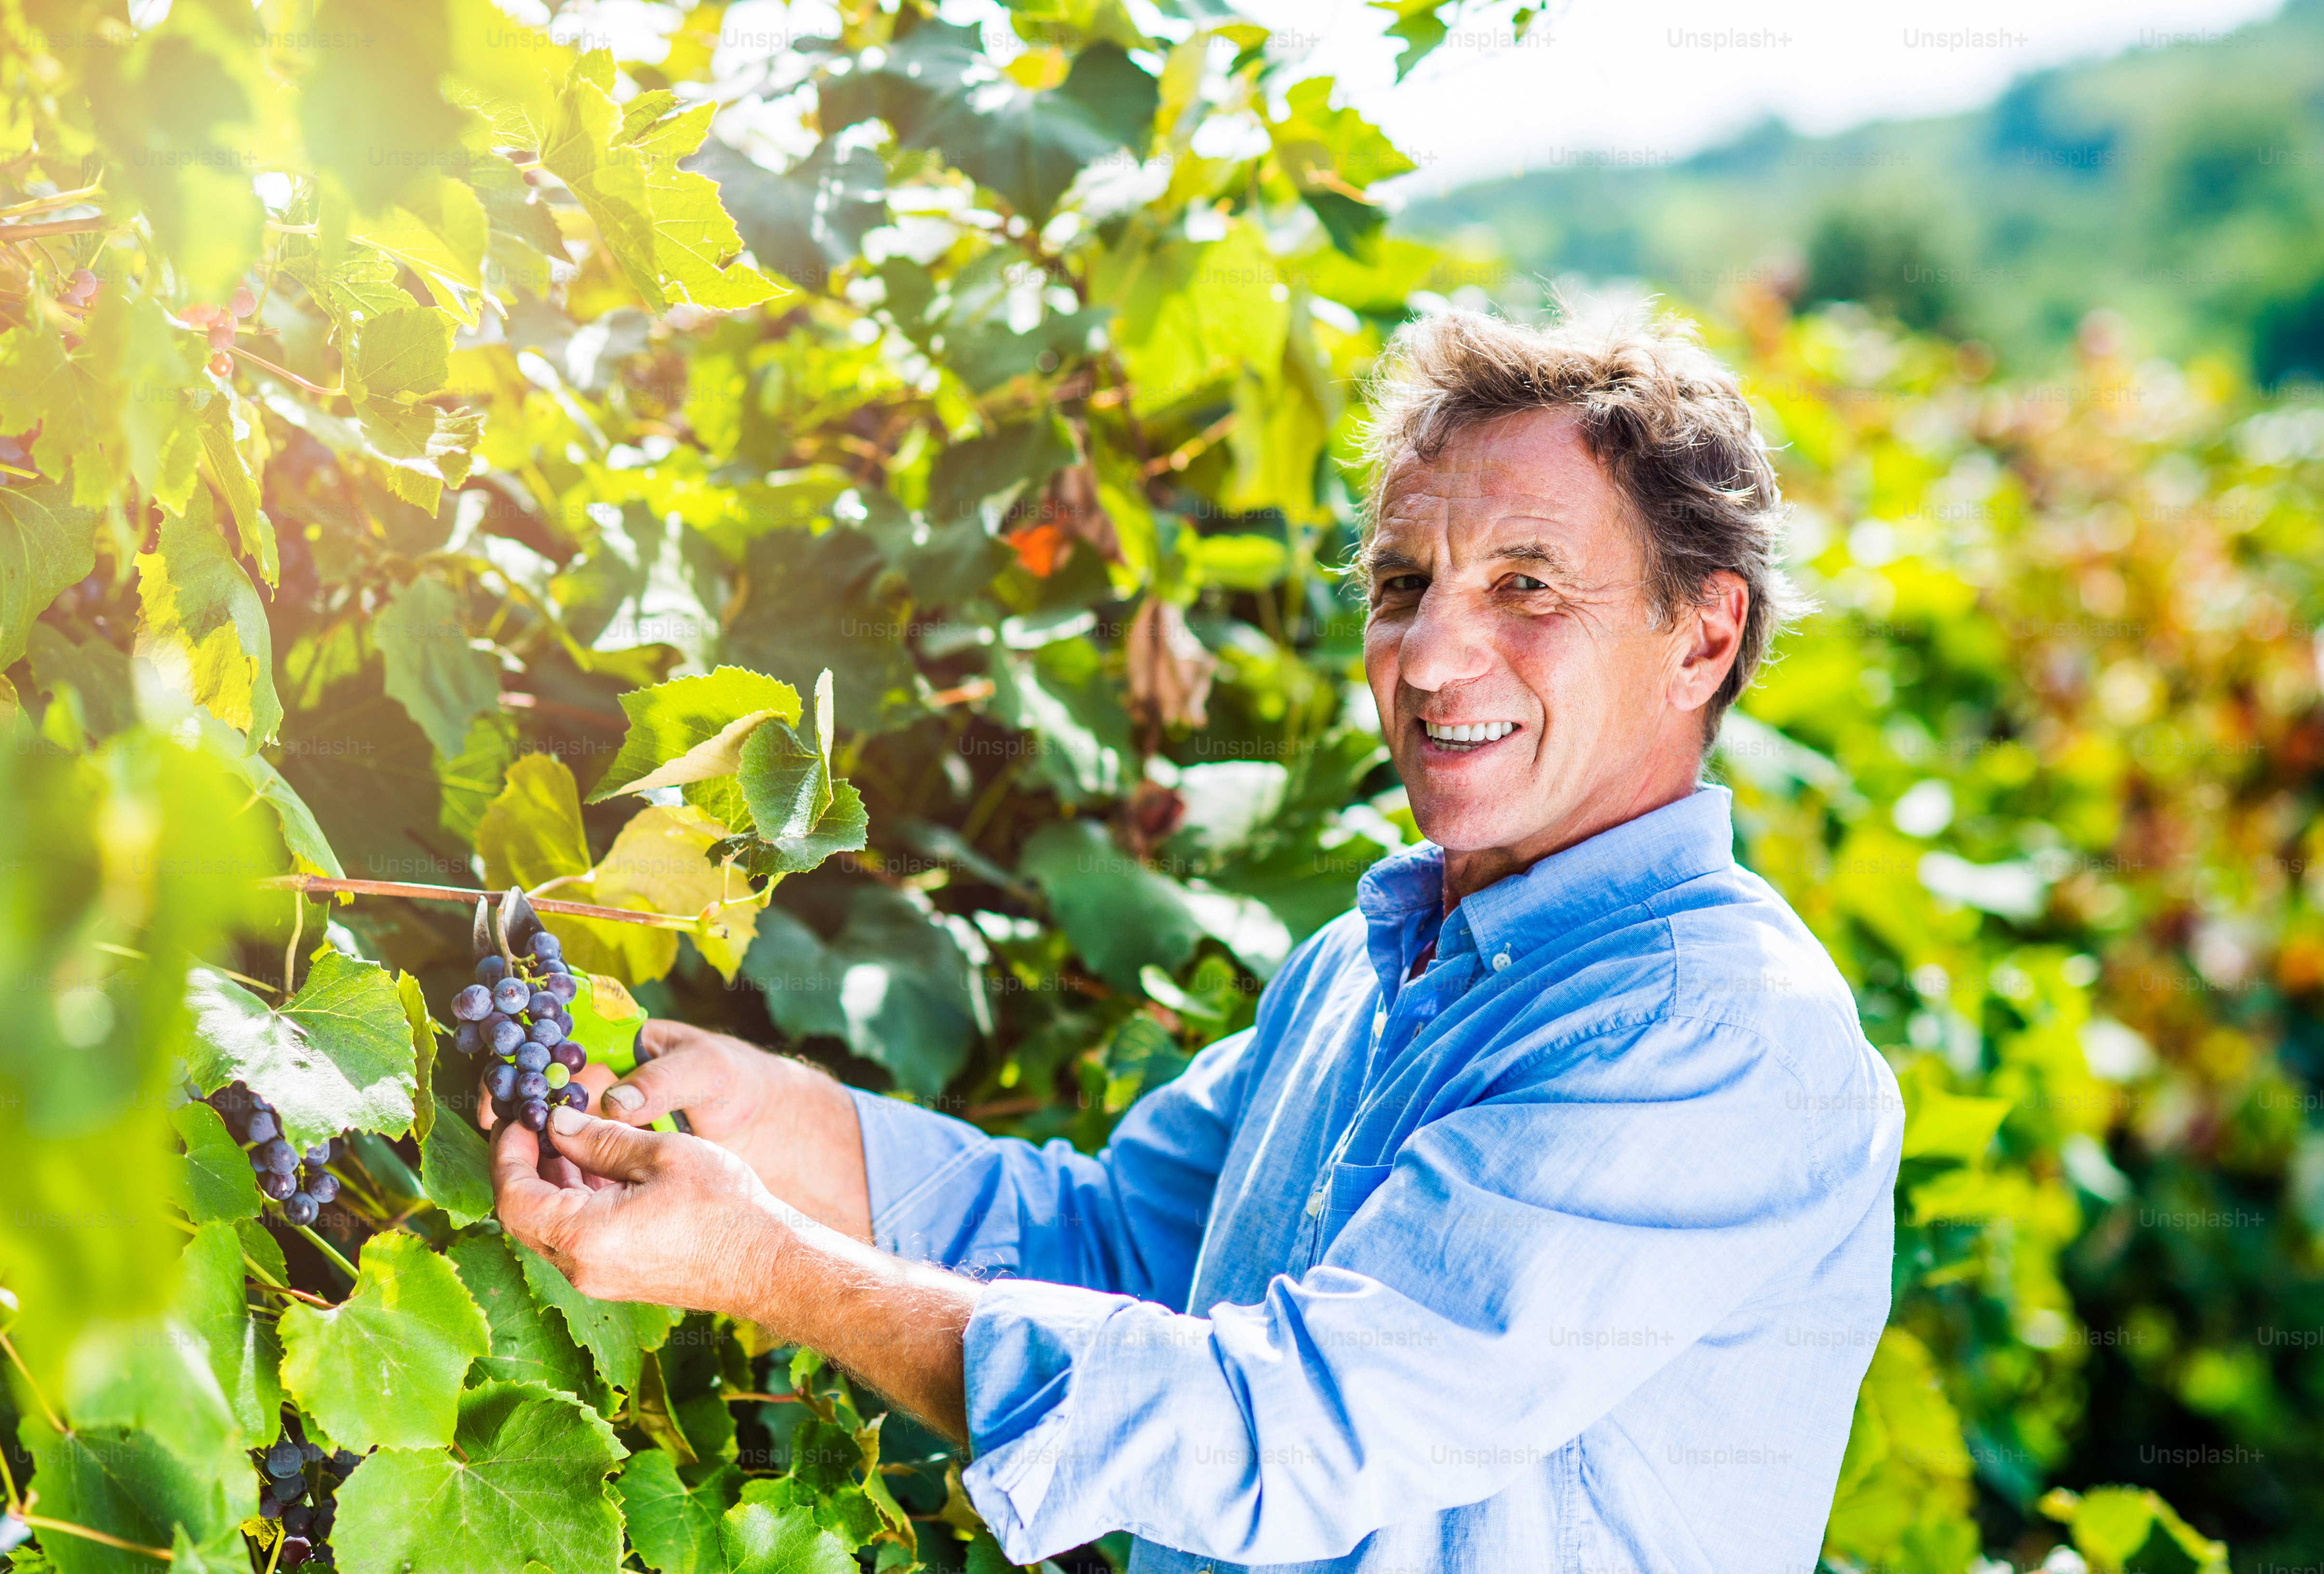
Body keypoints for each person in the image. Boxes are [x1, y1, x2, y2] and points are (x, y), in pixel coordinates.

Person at [489, 309, 1904, 1574]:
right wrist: (790, 1121)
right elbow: (1113, 1246)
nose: (1425, 657)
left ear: (1703, 638)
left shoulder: (1709, 1031)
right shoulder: (1367, 970)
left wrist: (768, 1269)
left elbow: (1289, 1432)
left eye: (1528, 588)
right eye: (1402, 583)